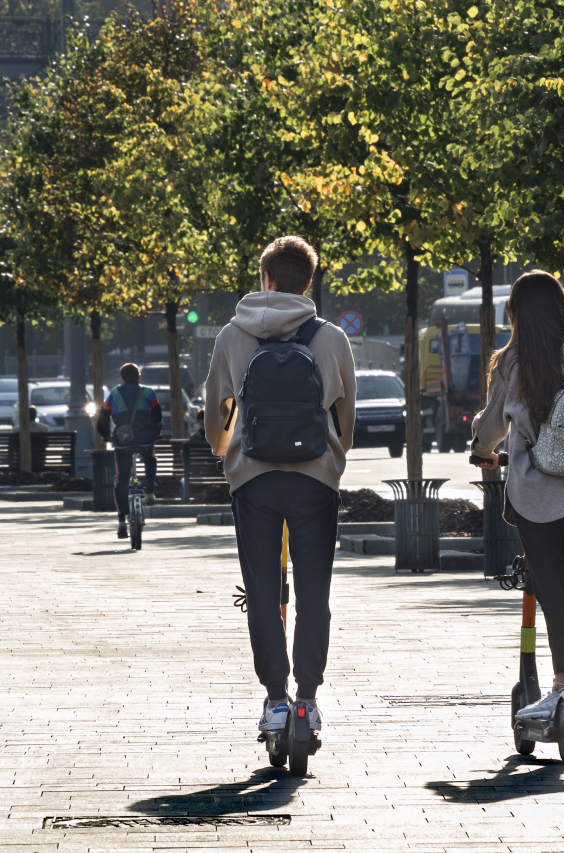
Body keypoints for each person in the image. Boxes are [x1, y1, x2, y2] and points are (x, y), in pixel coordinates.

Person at [205, 235, 356, 738]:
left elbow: (217, 414)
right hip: (315, 480)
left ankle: (274, 699)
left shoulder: (232, 335)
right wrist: (335, 457)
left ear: (265, 279)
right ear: (307, 283)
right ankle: (307, 702)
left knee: (263, 593)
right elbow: (345, 413)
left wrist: (226, 452)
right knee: (315, 594)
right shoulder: (331, 337)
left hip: (255, 479)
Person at [469, 270, 564, 721]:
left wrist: (481, 450)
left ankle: (561, 689)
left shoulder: (511, 359)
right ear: (560, 308)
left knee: (550, 586)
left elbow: (493, 424)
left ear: (514, 313)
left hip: (535, 489)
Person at [97, 363, 162, 539]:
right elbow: (158, 415)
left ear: (122, 378)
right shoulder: (148, 392)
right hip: (145, 439)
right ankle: (149, 492)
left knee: (121, 480)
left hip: (123, 441)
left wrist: (106, 435)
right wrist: (157, 431)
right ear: (139, 376)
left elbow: (102, 418)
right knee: (150, 458)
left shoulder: (114, 393)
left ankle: (121, 520)